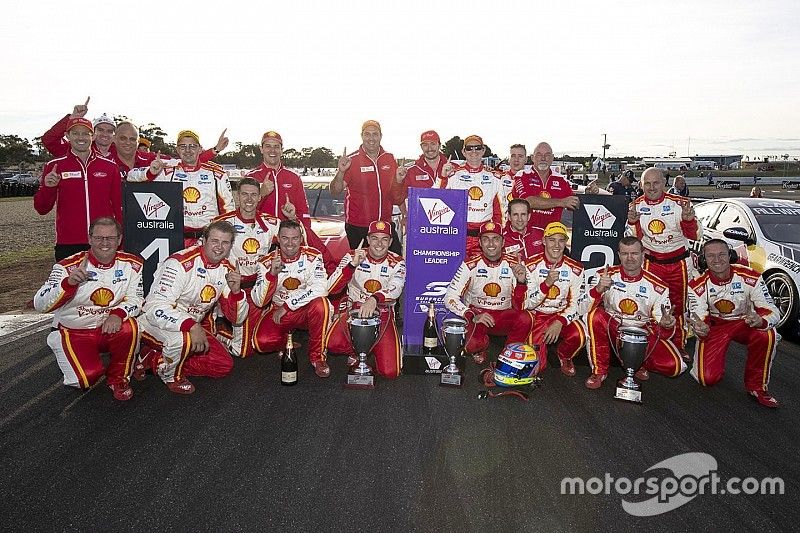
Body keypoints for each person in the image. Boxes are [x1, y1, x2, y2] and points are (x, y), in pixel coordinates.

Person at [33, 217, 143, 401]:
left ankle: (119, 378)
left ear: (119, 239)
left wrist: (118, 313)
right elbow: (40, 304)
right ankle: (60, 343)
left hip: (107, 327)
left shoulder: (132, 264)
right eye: (99, 238)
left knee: (130, 327)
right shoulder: (66, 266)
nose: (105, 243)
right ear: (90, 239)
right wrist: (68, 284)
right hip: (74, 331)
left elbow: (136, 299)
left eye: (110, 238)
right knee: (85, 379)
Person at [137, 220, 247, 395]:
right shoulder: (179, 263)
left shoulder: (228, 269)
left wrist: (236, 293)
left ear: (231, 245)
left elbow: (237, 319)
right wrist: (191, 325)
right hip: (153, 323)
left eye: (225, 242)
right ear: (204, 240)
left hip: (190, 328)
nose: (219, 247)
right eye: (214, 241)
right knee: (183, 341)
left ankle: (154, 357)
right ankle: (171, 375)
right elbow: (154, 307)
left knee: (223, 365)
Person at [687, 239, 781, 407]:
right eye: (711, 256)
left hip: (746, 322)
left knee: (767, 333)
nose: (717, 260)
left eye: (722, 254)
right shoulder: (696, 286)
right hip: (715, 327)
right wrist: (700, 328)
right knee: (706, 379)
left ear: (730, 255)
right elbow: (699, 317)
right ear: (703, 260)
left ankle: (757, 387)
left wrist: (761, 321)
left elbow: (772, 311)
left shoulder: (751, 276)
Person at [584, 237, 686, 389]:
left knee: (675, 366)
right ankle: (599, 371)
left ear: (643, 255)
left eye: (634, 253)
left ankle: (636, 363)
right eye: (625, 254)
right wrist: (598, 289)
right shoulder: (603, 275)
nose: (630, 258)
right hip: (614, 329)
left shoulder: (658, 286)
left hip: (642, 334)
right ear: (619, 255)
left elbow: (664, 333)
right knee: (594, 316)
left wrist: (667, 324)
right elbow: (583, 309)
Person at [627, 167, 701, 352]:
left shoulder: (680, 203)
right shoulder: (635, 205)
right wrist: (633, 222)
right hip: (651, 263)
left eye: (656, 183)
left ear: (664, 184)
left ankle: (678, 345)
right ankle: (652, 345)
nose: (652, 188)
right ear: (641, 185)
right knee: (650, 305)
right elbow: (633, 239)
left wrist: (688, 221)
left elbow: (696, 236)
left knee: (678, 306)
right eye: (647, 184)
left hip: (679, 264)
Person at [244, 130, 336, 272]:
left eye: (276, 146)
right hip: (259, 241)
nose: (272, 150)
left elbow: (303, 212)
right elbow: (243, 212)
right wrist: (261, 194)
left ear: (282, 150)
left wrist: (302, 238)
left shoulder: (293, 177)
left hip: (288, 242)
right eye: (268, 146)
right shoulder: (251, 177)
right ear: (261, 149)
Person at [444, 222, 534, 365]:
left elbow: (520, 306)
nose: (491, 243)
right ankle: (481, 347)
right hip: (479, 315)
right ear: (480, 242)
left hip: (503, 315)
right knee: (470, 345)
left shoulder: (515, 264)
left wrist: (522, 282)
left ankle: (509, 353)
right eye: (486, 239)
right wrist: (471, 315)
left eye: (496, 239)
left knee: (525, 318)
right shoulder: (469, 264)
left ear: (503, 242)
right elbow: (449, 297)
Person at [34, 117, 123, 261]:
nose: (80, 137)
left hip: (103, 241)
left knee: (104, 284)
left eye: (85, 133)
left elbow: (118, 206)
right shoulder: (54, 166)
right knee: (70, 283)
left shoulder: (110, 167)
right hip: (68, 242)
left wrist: (120, 238)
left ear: (92, 136)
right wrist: (48, 188)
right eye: (75, 133)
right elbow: (41, 208)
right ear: (68, 136)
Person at [251, 220, 332, 378]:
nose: (290, 243)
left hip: (305, 310)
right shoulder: (265, 262)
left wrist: (289, 305)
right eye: (285, 238)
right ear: (278, 239)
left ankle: (318, 357)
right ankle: (285, 342)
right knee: (260, 343)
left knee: (322, 305)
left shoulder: (314, 256)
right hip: (278, 312)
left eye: (294, 238)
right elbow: (259, 302)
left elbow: (321, 288)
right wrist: (271, 275)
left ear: (301, 238)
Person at [128, 130, 235, 246]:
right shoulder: (167, 170)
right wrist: (151, 172)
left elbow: (228, 209)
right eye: (183, 146)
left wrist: (225, 237)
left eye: (192, 146)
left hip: (209, 239)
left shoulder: (216, 173)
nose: (188, 150)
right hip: (178, 238)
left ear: (200, 149)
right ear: (177, 150)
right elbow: (130, 176)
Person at [326, 220, 405, 378]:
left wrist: (375, 299)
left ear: (390, 242)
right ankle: (357, 350)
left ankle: (372, 347)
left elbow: (396, 287)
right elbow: (330, 288)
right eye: (375, 238)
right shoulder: (351, 255)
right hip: (354, 310)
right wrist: (352, 266)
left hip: (382, 312)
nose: (379, 244)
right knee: (332, 343)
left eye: (384, 239)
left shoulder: (398, 261)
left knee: (391, 372)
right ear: (368, 239)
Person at [212, 178, 280, 358]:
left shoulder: (271, 224)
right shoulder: (221, 223)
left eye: (253, 195)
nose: (249, 199)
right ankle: (216, 332)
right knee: (241, 351)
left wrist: (293, 218)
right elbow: (205, 254)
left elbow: (294, 243)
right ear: (237, 196)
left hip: (258, 290)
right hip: (231, 289)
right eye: (244, 194)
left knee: (255, 344)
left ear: (260, 197)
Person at [41, 97, 225, 163]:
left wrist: (214, 150)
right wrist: (73, 119)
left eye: (109, 131)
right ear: (93, 134)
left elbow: (184, 161)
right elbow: (49, 141)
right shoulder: (81, 153)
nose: (105, 134)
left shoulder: (144, 157)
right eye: (100, 130)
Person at [330, 120, 402, 255]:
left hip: (384, 224)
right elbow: (335, 191)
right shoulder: (352, 160)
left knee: (397, 262)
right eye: (367, 134)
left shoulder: (390, 159)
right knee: (360, 269)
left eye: (375, 134)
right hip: (358, 226)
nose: (371, 138)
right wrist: (341, 171)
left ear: (381, 136)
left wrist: (405, 215)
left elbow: (396, 192)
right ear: (361, 136)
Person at [523, 222, 587, 375]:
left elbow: (577, 304)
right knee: (537, 367)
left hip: (561, 314)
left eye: (561, 240)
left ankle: (564, 356)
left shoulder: (576, 269)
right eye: (552, 240)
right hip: (537, 315)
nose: (556, 245)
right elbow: (527, 303)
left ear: (566, 243)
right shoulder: (529, 265)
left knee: (580, 335)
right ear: (544, 241)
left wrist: (560, 321)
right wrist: (546, 284)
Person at [436, 135, 505, 256]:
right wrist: (442, 177)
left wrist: (496, 237)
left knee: (481, 273)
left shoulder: (495, 178)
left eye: (477, 148)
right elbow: (436, 199)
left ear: (483, 150)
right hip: (458, 237)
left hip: (484, 238)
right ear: (463, 151)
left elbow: (501, 212)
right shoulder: (453, 175)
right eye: (469, 148)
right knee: (457, 274)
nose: (474, 151)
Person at [511, 141, 579, 236]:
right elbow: (527, 202)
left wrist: (590, 192)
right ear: (532, 158)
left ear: (552, 158)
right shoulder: (522, 175)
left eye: (547, 155)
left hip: (551, 237)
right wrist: (561, 202)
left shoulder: (561, 180)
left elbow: (574, 201)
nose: (543, 158)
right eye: (539, 155)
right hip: (526, 235)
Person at [392, 130, 447, 229]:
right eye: (425, 145)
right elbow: (398, 199)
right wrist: (398, 181)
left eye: (433, 144)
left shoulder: (453, 168)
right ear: (421, 147)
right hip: (420, 225)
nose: (429, 148)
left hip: (448, 225)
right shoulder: (412, 171)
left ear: (439, 145)